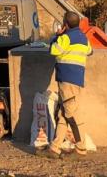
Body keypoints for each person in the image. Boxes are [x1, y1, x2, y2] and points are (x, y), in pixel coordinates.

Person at [39, 11, 94, 158]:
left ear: (65, 24)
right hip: (77, 81)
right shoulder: (83, 37)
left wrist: (57, 35)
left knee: (72, 115)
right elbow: (90, 51)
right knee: (63, 115)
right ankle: (54, 148)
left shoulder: (65, 38)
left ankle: (81, 149)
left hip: (67, 81)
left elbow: (53, 50)